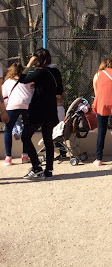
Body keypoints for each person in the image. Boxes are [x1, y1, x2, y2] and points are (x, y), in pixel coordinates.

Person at [19, 48, 64, 179]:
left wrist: (28, 64)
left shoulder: (40, 73)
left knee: (25, 137)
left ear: (37, 59)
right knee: (48, 140)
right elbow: (59, 90)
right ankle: (48, 170)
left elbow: (22, 79)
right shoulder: (55, 72)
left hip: (38, 110)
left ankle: (36, 167)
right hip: (51, 110)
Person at [2, 62, 34, 165]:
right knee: (26, 131)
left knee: (8, 130)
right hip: (27, 106)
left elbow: (4, 96)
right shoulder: (27, 80)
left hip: (13, 106)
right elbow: (31, 92)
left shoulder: (7, 82)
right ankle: (25, 156)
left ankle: (8, 157)